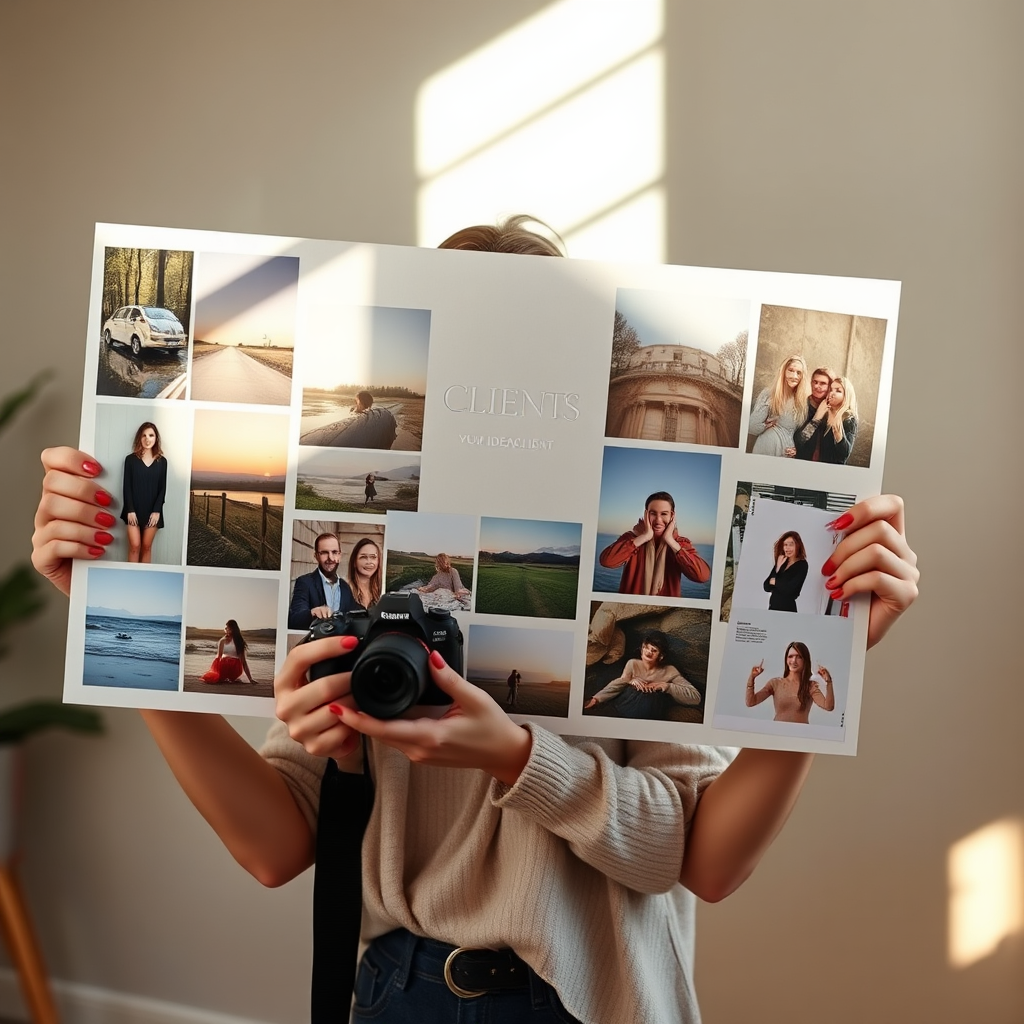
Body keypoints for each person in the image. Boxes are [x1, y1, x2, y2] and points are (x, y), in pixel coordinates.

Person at [30, 217, 920, 1024]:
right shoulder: (365, 594)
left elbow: (704, 862)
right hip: (396, 994)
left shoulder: (636, 614)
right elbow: (274, 846)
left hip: (593, 998)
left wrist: (518, 755)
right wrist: (114, 622)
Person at [599, 491, 710, 597]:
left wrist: (670, 541)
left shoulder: (680, 544)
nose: (658, 520)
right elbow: (606, 561)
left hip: (664, 613)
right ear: (646, 514)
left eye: (664, 514)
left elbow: (702, 576)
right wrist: (644, 537)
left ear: (672, 516)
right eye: (653, 513)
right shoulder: (632, 539)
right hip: (628, 610)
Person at [583, 631, 701, 719]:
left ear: (661, 656)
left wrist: (667, 686)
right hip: (627, 704)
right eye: (646, 648)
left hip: (651, 710)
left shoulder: (669, 671)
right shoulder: (633, 664)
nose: (648, 652)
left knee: (650, 699)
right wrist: (597, 698)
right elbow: (617, 684)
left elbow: (695, 697)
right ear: (642, 649)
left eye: (654, 650)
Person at [745, 641, 835, 724]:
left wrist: (829, 682)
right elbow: (751, 702)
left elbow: (828, 706)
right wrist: (752, 677)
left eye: (799, 657)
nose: (794, 661)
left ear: (805, 661)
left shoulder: (809, 686)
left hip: (801, 735)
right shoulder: (775, 683)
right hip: (777, 733)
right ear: (786, 659)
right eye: (790, 656)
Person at [288, 532, 358, 630]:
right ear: (316, 556)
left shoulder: (345, 587)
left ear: (339, 556)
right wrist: (312, 613)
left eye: (334, 552)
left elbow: (356, 613)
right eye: (324, 552)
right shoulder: (304, 582)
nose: (330, 558)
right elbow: (294, 620)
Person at [120, 421, 167, 563]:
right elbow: (126, 487)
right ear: (139, 438)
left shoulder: (162, 462)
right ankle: (130, 580)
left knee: (146, 547)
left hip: (153, 512)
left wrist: (157, 511)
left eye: (151, 435)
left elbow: (162, 488)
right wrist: (130, 510)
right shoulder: (130, 460)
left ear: (156, 438)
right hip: (133, 510)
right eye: (144, 435)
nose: (147, 439)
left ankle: (144, 580)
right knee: (134, 546)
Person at [747, 355, 810, 457]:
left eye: (799, 373)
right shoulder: (769, 394)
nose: (794, 376)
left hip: (786, 456)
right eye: (791, 370)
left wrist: (799, 449)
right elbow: (752, 427)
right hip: (766, 450)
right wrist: (765, 425)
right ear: (784, 371)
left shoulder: (802, 402)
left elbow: (803, 435)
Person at [794, 375, 859, 464]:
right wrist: (817, 417)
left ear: (846, 396)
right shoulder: (824, 411)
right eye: (831, 389)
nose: (832, 393)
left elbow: (844, 454)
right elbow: (800, 440)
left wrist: (838, 435)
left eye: (838, 391)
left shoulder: (849, 419)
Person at [763, 531, 809, 612]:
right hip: (772, 609)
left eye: (791, 545)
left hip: (788, 610)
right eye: (785, 545)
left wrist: (775, 582)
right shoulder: (782, 562)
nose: (787, 548)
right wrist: (777, 567)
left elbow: (789, 590)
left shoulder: (802, 565)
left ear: (797, 545)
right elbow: (766, 586)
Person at [201, 619, 257, 684]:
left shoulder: (239, 642)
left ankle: (229, 677)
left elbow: (243, 662)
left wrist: (250, 679)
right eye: (226, 628)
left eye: (229, 628)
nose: (227, 630)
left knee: (228, 668)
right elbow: (219, 657)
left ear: (233, 629)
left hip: (235, 667)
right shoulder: (222, 641)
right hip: (224, 665)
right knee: (213, 678)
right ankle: (223, 677)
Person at [347, 537, 382, 609]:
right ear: (354, 562)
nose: (369, 562)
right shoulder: (345, 589)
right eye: (363, 557)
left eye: (373, 557)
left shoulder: (380, 590)